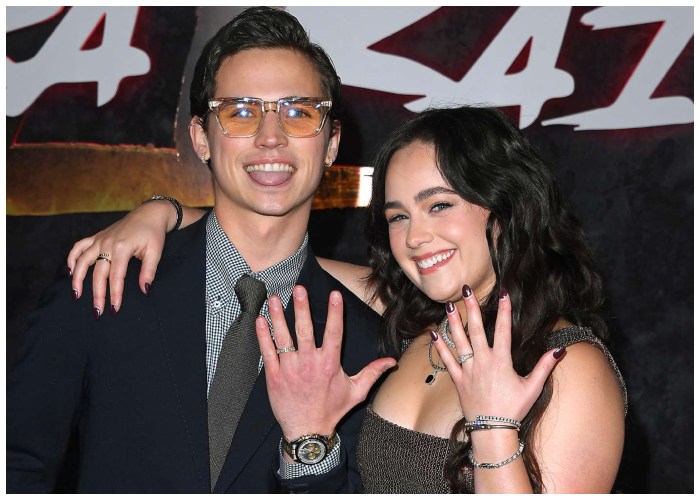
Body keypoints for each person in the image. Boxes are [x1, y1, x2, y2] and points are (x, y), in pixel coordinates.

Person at [65, 105, 627, 492]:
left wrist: (494, 425)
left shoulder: (568, 365)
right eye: (398, 217)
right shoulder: (414, 323)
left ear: (504, 209)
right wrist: (163, 213)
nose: (415, 237)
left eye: (438, 206)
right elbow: (266, 254)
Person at [7, 7, 395, 493]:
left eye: (299, 113)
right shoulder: (107, 279)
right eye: (240, 112)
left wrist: (310, 447)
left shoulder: (366, 344)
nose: (271, 137)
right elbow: (16, 464)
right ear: (200, 138)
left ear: (331, 143)